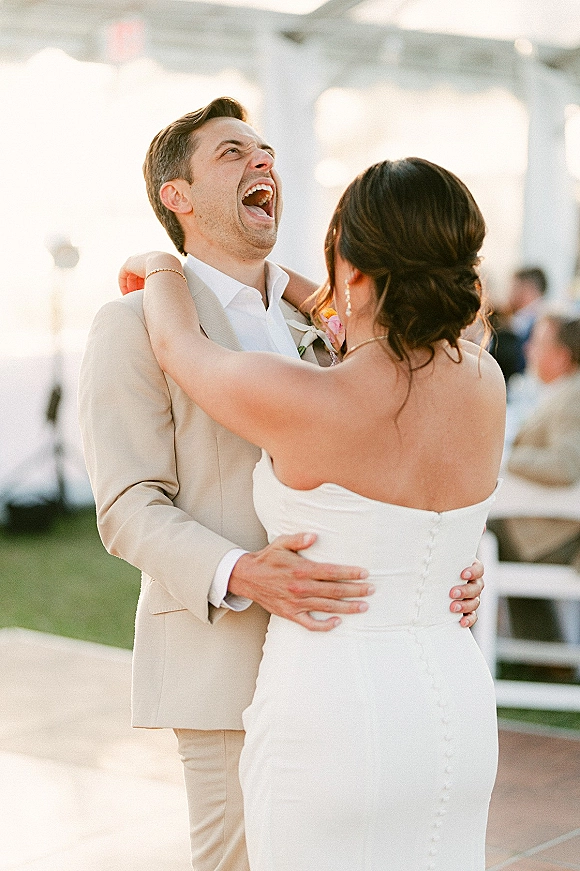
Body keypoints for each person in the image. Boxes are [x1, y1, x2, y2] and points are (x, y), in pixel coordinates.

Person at [78, 97, 485, 871]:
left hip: (347, 661)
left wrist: (446, 561)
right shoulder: (130, 324)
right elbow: (127, 506)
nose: (263, 161)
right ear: (178, 195)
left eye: (266, 150)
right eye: (233, 153)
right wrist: (244, 573)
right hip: (222, 658)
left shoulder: (333, 329)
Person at [488, 314, 580, 642]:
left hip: (552, 532)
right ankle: (541, 656)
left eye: (538, 344)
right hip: (543, 525)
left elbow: (565, 465)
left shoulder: (572, 398)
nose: (528, 350)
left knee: (468, 527)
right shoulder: (560, 393)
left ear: (561, 356)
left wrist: (506, 457)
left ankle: (474, 641)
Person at [490, 266, 548, 384]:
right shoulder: (517, 319)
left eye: (514, 287)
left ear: (528, 289)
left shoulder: (540, 323)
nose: (508, 292)